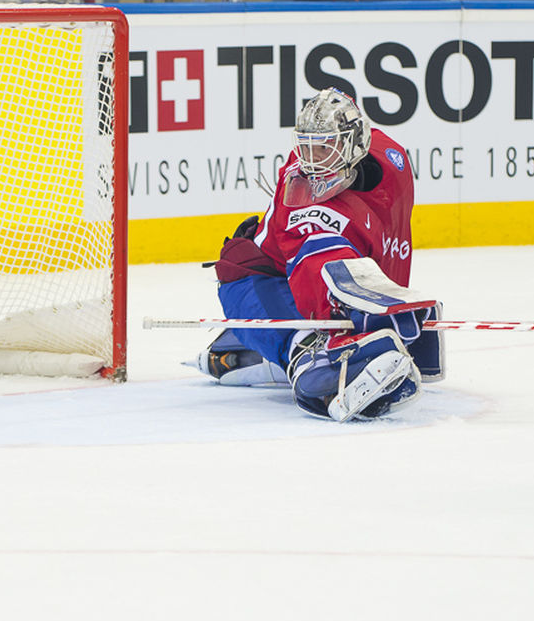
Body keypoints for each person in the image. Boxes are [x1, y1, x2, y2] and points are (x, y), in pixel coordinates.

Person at [190, 88, 444, 421]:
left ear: (354, 143)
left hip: (304, 280)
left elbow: (390, 238)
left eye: (325, 146)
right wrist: (346, 327)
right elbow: (313, 267)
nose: (313, 159)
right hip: (258, 279)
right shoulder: (303, 195)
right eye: (307, 146)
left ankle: (259, 342)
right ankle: (301, 350)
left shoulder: (392, 158)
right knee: (308, 333)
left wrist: (389, 303)